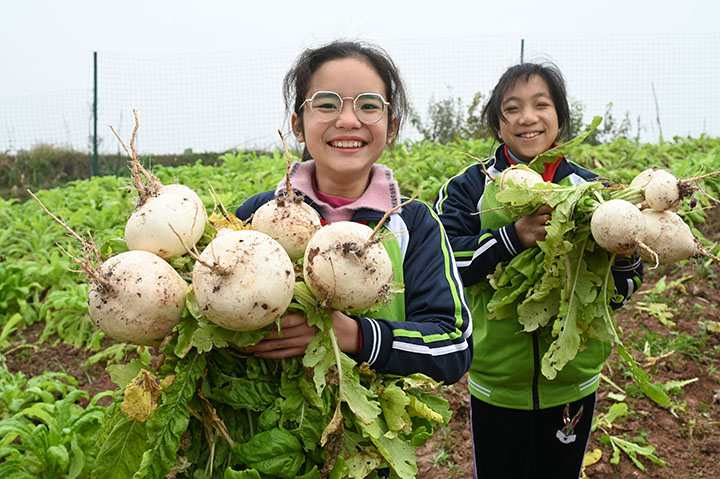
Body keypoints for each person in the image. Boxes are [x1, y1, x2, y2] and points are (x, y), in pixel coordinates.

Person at [434, 62, 643, 478]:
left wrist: (625, 257)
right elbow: (445, 269)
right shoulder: (467, 189)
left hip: (573, 381)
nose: (527, 118)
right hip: (497, 384)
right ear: (498, 123)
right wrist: (512, 237)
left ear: (560, 117)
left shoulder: (591, 193)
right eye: (512, 109)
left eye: (541, 105)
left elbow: (619, 292)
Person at [237, 40, 473, 385]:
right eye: (327, 105)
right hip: (264, 430)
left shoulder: (413, 224)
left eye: (368, 106)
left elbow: (452, 347)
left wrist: (356, 336)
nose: (348, 120)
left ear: (391, 126)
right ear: (298, 125)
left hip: (372, 434)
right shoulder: (257, 215)